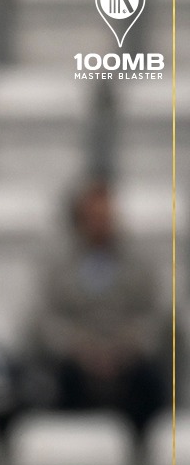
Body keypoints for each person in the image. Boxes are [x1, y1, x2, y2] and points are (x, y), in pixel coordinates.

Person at [30, 179, 168, 434]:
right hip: (76, 365)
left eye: (106, 216)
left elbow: (154, 317)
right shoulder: (58, 265)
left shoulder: (138, 264)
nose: (101, 223)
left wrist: (125, 348)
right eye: (93, 217)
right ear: (79, 220)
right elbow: (46, 320)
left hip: (128, 364)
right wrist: (81, 349)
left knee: (152, 383)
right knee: (53, 385)